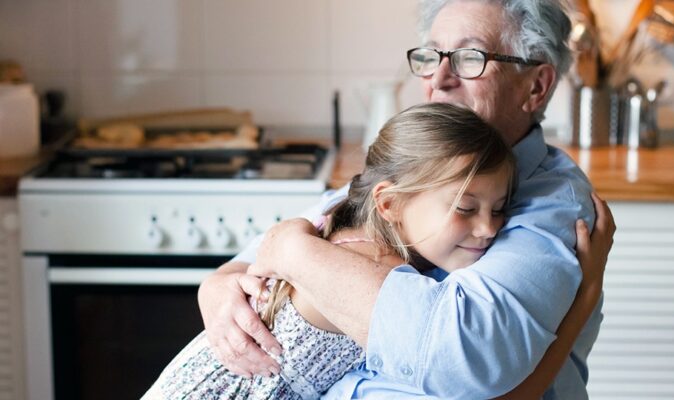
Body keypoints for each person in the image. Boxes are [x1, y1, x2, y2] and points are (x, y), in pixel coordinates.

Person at [198, 0, 616, 398]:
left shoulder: (555, 207)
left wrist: (293, 250)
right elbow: (247, 266)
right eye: (431, 57)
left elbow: (462, 356)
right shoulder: (420, 170)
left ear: (536, 86)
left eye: (470, 58)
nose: (438, 78)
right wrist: (216, 290)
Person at [145, 103, 608, 399]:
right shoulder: (370, 267)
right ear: (388, 203)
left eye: (501, 208)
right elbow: (495, 393)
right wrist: (583, 300)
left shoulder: (352, 225)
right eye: (465, 208)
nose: (489, 229)